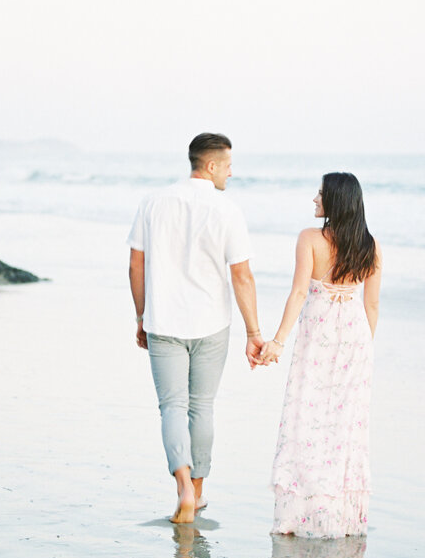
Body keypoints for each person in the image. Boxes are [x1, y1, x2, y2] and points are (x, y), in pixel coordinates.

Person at [128, 133, 265, 524]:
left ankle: (183, 486)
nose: (231, 173)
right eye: (228, 165)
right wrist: (254, 333)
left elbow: (136, 265)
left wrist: (140, 316)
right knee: (201, 407)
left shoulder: (152, 202)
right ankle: (200, 493)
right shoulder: (227, 210)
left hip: (163, 320)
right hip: (210, 323)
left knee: (172, 406)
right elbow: (242, 275)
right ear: (211, 166)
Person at [260, 172, 382, 537]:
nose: (315, 199)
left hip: (318, 338)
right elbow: (372, 306)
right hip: (356, 341)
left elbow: (299, 293)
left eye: (320, 194)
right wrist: (364, 351)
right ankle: (341, 517)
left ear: (337, 201)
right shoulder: (371, 246)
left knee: (306, 419)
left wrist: (278, 341)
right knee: (345, 427)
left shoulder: (310, 239)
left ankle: (302, 515)